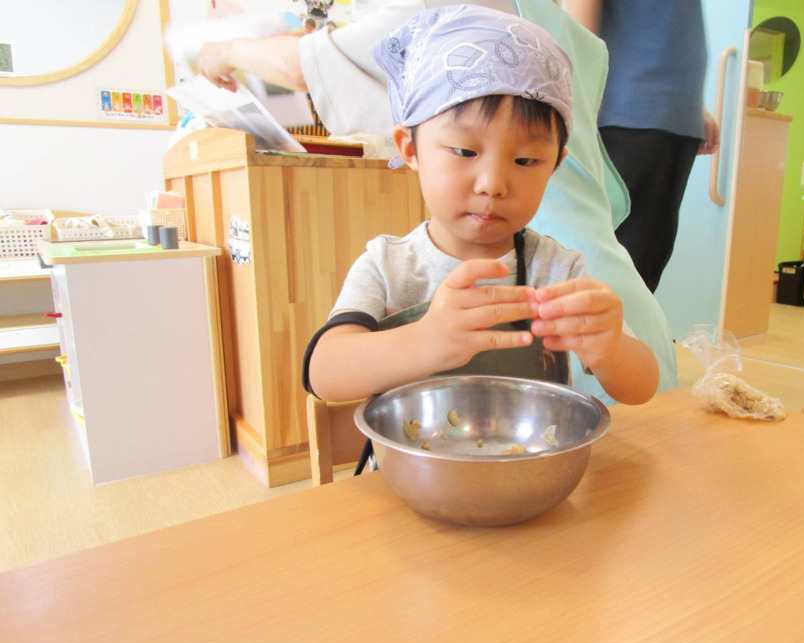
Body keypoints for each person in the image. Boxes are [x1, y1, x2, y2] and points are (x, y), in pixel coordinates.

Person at [197, 0, 680, 408]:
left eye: (527, 159)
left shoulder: (554, 269)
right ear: (410, 149)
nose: (493, 183)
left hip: (531, 480)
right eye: (466, 152)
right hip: (416, 480)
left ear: (555, 165)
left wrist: (611, 346)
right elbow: (323, 371)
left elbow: (640, 389)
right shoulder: (389, 265)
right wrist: (426, 341)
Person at [564, 0, 720, 293]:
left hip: (669, 116)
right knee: (615, 265)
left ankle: (626, 337)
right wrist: (578, 112)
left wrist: (694, 104)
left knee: (643, 263)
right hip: (626, 114)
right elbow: (579, 31)